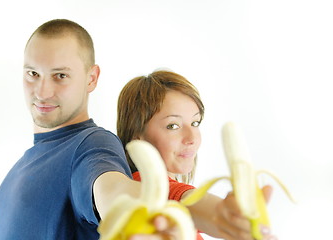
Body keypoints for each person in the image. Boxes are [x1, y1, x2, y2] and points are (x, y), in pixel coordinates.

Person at [0, 19, 181, 240]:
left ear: (91, 78)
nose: (42, 92)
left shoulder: (92, 143)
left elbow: (110, 188)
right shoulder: (21, 166)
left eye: (60, 76)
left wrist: (137, 215)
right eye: (33, 74)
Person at [117, 70, 277, 240]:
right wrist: (223, 216)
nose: (192, 138)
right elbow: (181, 199)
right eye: (173, 126)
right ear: (137, 135)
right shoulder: (143, 188)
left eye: (195, 123)